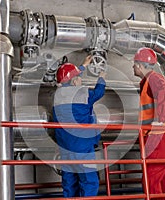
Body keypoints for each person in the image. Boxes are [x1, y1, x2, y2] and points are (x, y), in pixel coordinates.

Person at [52, 55, 106, 197]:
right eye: (79, 77)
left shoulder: (57, 95)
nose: (80, 80)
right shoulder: (82, 93)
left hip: (65, 148)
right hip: (82, 148)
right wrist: (101, 77)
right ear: (75, 81)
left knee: (70, 183)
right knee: (89, 181)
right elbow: (99, 92)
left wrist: (83, 66)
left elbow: (68, 81)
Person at [132, 47, 165, 200]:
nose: (133, 67)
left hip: (160, 139)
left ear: (140, 65)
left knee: (150, 182)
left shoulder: (154, 78)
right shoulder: (146, 82)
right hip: (164, 139)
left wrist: (159, 122)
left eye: (134, 64)